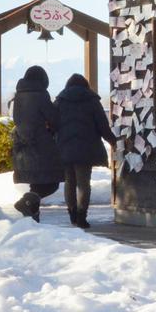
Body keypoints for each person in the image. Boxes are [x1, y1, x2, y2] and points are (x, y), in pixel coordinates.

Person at [54, 74, 116, 229]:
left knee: (69, 182)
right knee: (84, 183)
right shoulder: (92, 101)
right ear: (85, 85)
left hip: (65, 147)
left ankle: (72, 214)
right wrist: (113, 141)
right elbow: (102, 125)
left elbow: (52, 123)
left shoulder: (60, 101)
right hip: (86, 148)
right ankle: (82, 216)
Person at [11, 66, 62, 222]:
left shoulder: (17, 97)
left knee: (36, 182)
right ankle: (26, 201)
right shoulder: (41, 96)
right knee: (51, 183)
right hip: (41, 144)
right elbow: (54, 119)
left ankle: (32, 210)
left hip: (22, 144)